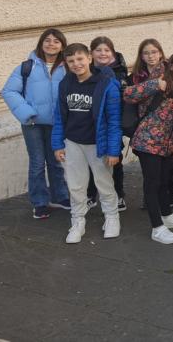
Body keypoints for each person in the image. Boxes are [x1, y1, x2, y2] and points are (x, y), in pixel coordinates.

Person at [51, 43, 122, 243]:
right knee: (75, 185)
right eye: (71, 61)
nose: (76, 64)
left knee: (104, 182)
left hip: (97, 144)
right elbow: (59, 116)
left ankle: (111, 217)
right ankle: (78, 220)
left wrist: (113, 150)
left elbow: (114, 120)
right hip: (72, 142)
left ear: (90, 58)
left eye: (80, 59)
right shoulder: (65, 83)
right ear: (66, 63)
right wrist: (58, 144)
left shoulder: (106, 83)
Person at [124, 51, 173, 244]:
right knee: (153, 183)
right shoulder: (159, 80)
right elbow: (129, 94)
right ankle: (157, 227)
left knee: (165, 181)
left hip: (166, 143)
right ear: (171, 65)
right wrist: (155, 84)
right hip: (147, 140)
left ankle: (167, 215)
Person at [2, 28, 69, 219]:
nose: (51, 44)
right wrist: (26, 112)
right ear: (41, 43)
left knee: (56, 161)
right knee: (38, 163)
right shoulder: (27, 66)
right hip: (33, 123)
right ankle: (39, 202)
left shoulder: (67, 67)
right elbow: (9, 91)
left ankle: (60, 196)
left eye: (56, 41)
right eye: (47, 40)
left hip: (57, 123)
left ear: (62, 45)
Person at [130, 39, 173, 208]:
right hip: (145, 126)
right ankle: (153, 201)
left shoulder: (170, 70)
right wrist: (154, 84)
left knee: (166, 168)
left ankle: (169, 195)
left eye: (154, 52)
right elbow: (130, 96)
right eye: (146, 53)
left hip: (166, 126)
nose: (150, 56)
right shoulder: (136, 75)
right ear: (141, 56)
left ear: (160, 52)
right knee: (151, 171)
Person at [87, 36, 129, 212]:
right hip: (90, 124)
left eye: (106, 50)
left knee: (115, 159)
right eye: (98, 50)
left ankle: (118, 194)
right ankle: (91, 195)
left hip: (112, 123)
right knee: (90, 161)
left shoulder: (120, 72)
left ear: (112, 52)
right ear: (91, 53)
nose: (102, 53)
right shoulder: (86, 71)